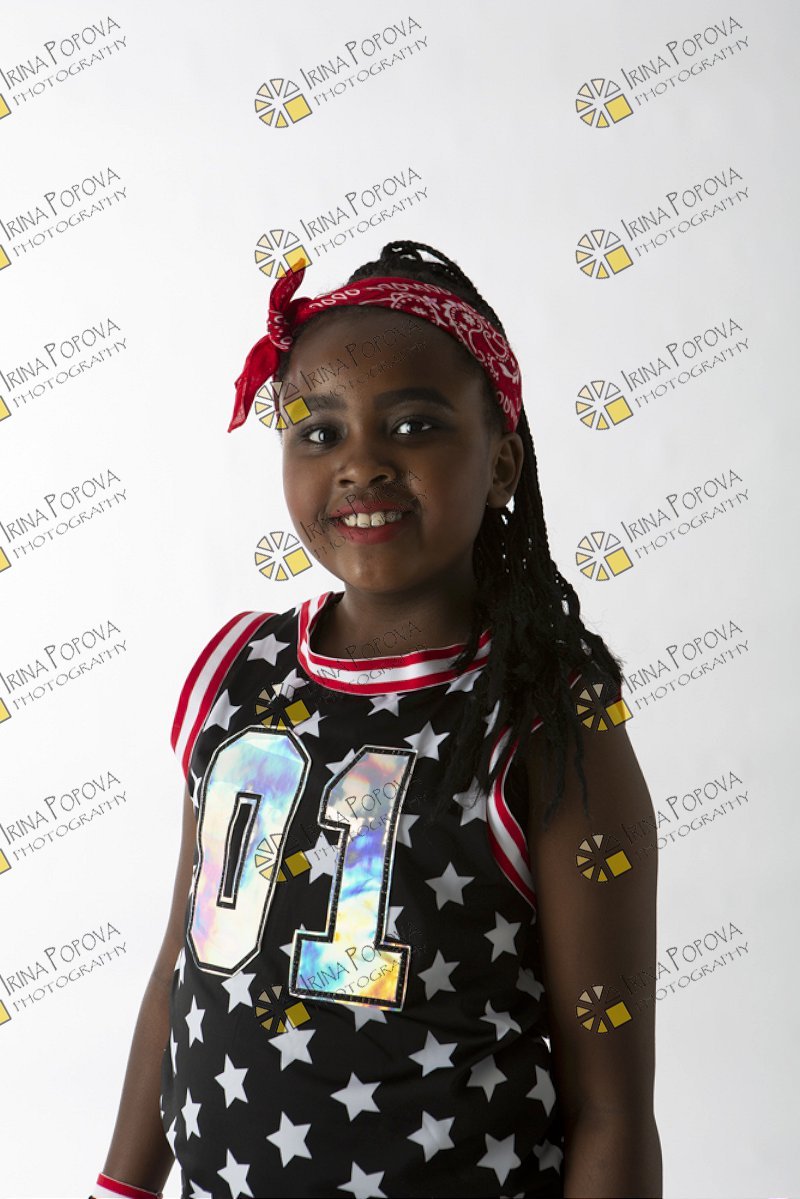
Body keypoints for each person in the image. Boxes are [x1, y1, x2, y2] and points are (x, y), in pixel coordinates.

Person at [92, 240, 662, 1199]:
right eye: (319, 432)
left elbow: (610, 1106)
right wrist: (123, 1187)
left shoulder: (546, 714)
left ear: (501, 463)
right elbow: (180, 974)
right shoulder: (236, 671)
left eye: (414, 425)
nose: (361, 463)